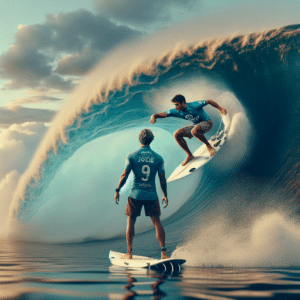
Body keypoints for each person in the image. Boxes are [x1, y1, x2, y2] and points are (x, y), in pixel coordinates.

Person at [114, 129, 169, 260]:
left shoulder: (132, 156)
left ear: (140, 139)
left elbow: (124, 175)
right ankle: (163, 253)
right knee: (157, 223)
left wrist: (117, 190)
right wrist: (165, 194)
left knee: (131, 222)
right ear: (152, 140)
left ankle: (129, 253)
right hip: (151, 195)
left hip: (135, 195)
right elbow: (162, 179)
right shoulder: (158, 158)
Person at [149, 94, 227, 166]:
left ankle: (208, 146)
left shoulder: (194, 105)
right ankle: (190, 155)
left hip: (207, 123)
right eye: (174, 105)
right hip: (196, 125)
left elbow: (209, 101)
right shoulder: (176, 111)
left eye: (177, 104)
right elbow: (163, 114)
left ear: (183, 103)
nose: (175, 107)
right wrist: (154, 116)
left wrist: (221, 108)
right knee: (177, 134)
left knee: (194, 131)